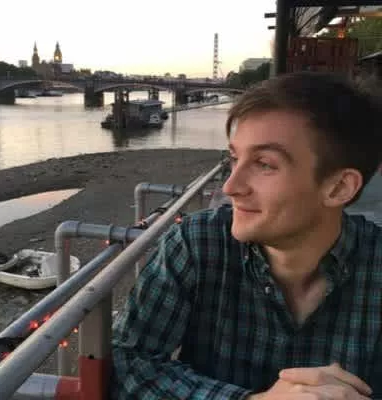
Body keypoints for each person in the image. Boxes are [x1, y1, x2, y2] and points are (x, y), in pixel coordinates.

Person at [112, 72, 382, 399]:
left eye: (264, 164)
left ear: (338, 187)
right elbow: (126, 360)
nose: (230, 187)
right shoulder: (197, 243)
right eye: (235, 159)